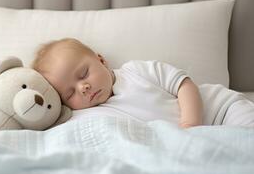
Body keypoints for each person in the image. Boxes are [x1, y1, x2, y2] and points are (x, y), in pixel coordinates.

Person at [32, 38, 254, 128]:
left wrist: (191, 126)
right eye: (70, 93)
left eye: (83, 74)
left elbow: (184, 85)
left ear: (101, 60)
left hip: (219, 111)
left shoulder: (135, 71)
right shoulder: (83, 115)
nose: (83, 88)